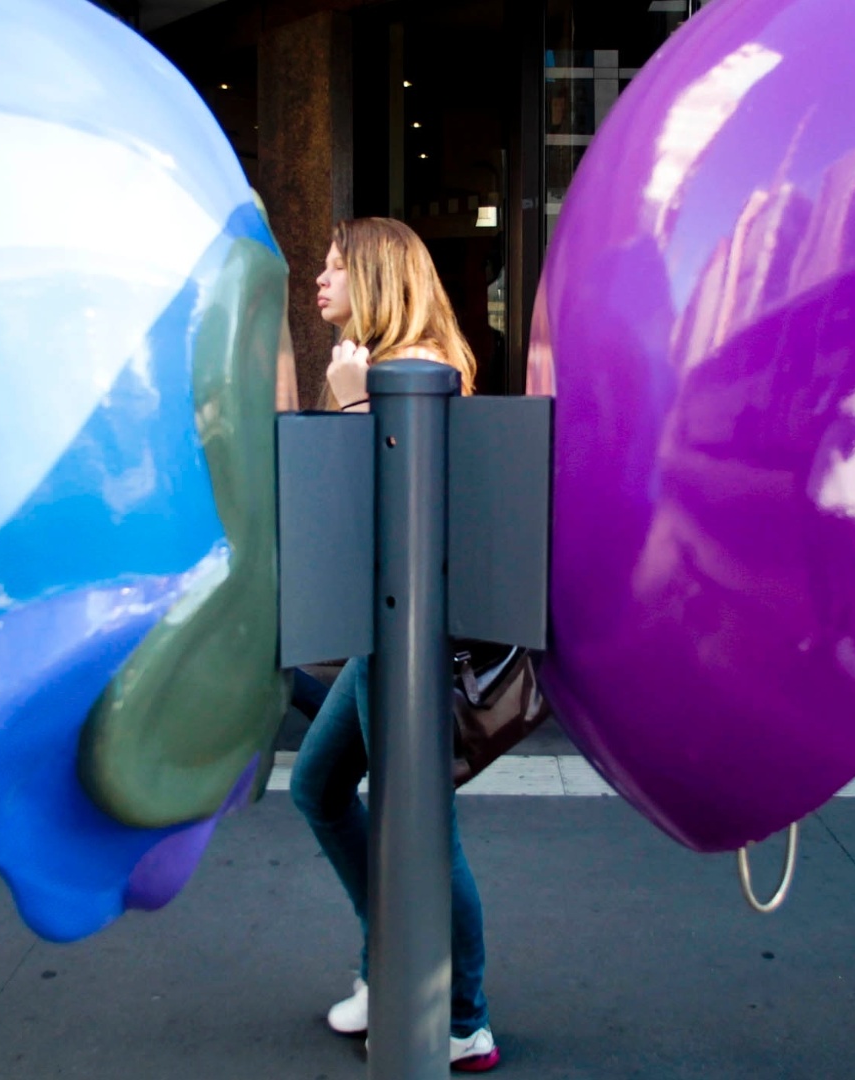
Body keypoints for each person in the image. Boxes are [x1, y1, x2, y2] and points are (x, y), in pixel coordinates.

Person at [290, 217, 498, 1072]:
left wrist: (348, 403)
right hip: (381, 631)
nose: (320, 280)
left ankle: (460, 1016)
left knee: (423, 824)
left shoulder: (413, 374)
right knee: (319, 785)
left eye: (337, 267)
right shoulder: (374, 367)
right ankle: (394, 963)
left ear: (376, 279)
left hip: (405, 633)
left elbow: (387, 523)